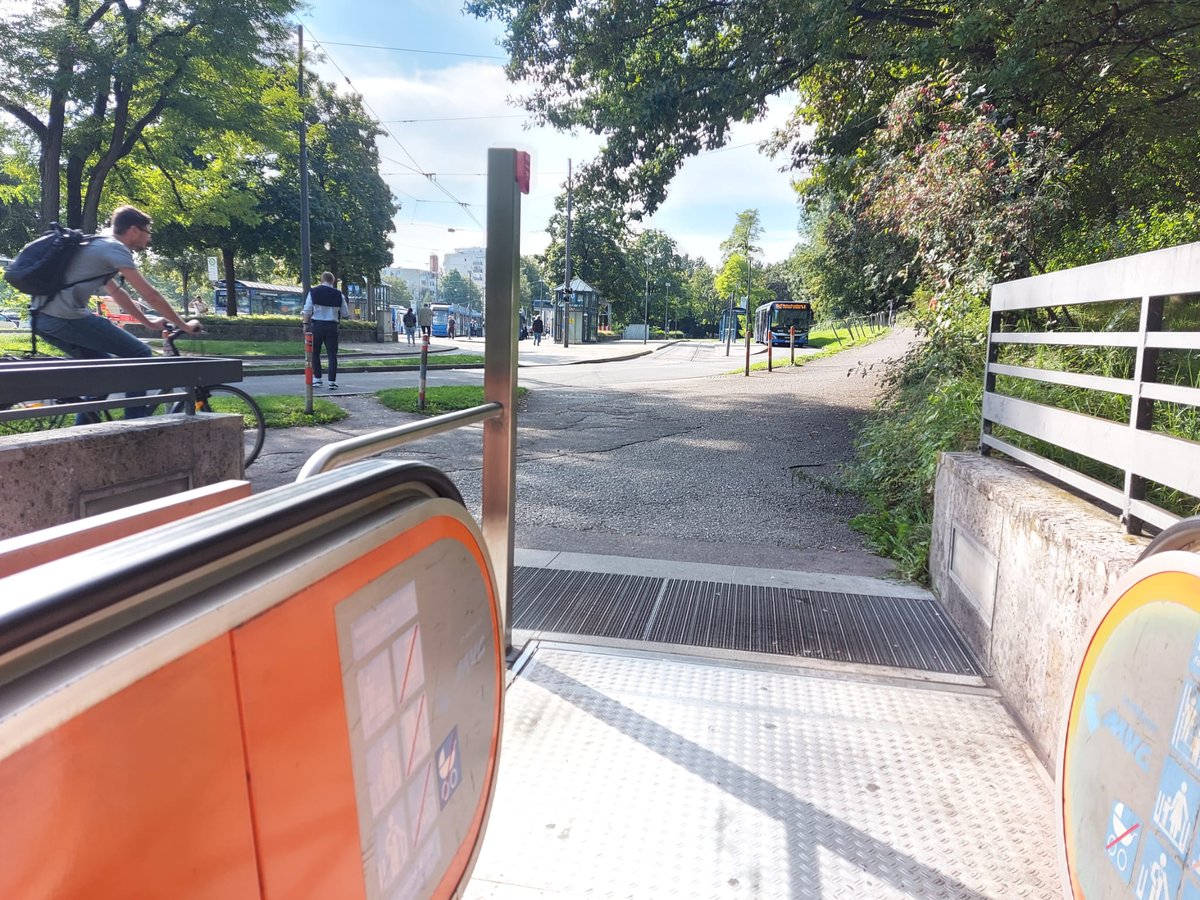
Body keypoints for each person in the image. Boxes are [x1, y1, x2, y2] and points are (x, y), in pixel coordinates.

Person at [31, 205, 201, 419]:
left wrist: (148, 322)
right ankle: (135, 425)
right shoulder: (114, 248)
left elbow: (118, 294)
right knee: (140, 354)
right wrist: (184, 325)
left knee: (105, 374)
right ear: (133, 230)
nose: (148, 239)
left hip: (41, 319)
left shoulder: (98, 244)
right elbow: (152, 295)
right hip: (65, 318)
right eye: (147, 231)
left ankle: (83, 432)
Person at [303, 271, 351, 390]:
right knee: (332, 354)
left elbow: (307, 310)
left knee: (315, 353)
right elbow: (345, 313)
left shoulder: (313, 292)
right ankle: (332, 382)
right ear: (333, 281)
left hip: (317, 325)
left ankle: (317, 379)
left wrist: (305, 324)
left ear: (321, 280)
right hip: (332, 326)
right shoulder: (339, 294)